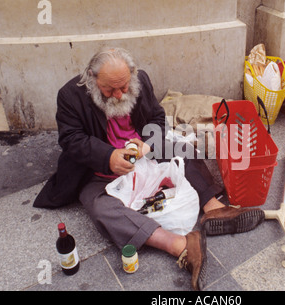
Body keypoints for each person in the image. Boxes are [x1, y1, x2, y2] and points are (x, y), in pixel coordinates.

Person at [34, 48, 265, 290]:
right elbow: (71, 140)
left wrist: (147, 144)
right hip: (100, 170)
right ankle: (180, 245)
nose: (120, 95)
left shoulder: (140, 80)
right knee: (100, 206)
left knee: (181, 149)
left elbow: (157, 117)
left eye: (124, 86)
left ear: (132, 75)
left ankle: (213, 208)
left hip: (142, 151)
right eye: (110, 89)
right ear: (92, 79)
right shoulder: (70, 96)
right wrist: (108, 156)